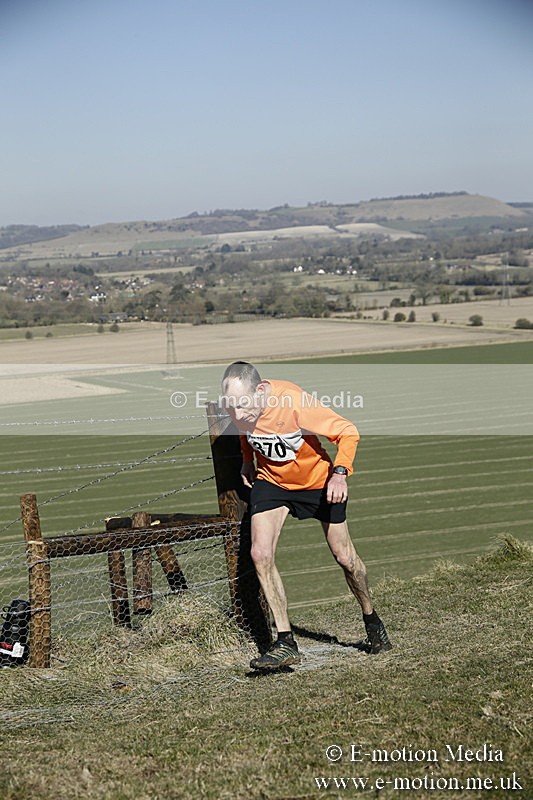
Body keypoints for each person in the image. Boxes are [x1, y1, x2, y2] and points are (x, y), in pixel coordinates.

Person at [221, 361, 392, 670]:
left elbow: (346, 431)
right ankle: (285, 641)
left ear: (260, 391)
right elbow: (246, 432)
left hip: (319, 483)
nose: (237, 413)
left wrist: (340, 474)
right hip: (273, 483)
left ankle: (371, 618)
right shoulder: (240, 408)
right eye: (231, 406)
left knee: (345, 558)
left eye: (243, 405)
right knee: (260, 553)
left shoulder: (293, 401)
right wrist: (248, 460)